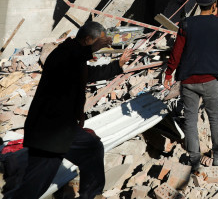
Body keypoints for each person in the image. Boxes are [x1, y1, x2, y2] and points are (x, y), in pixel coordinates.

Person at [14, 21, 133, 199]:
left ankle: (91, 194)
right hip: (48, 131)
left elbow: (90, 74)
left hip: (61, 129)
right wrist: (92, 49)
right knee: (36, 183)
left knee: (91, 148)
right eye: (98, 43)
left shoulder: (76, 59)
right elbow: (72, 57)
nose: (100, 47)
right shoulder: (63, 53)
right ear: (87, 40)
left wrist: (118, 65)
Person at [164, 0, 218, 168]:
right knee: (215, 118)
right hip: (210, 80)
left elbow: (176, 52)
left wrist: (168, 73)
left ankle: (194, 161)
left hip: (188, 81)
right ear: (213, 5)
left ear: (198, 4)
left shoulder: (186, 24)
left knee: (190, 119)